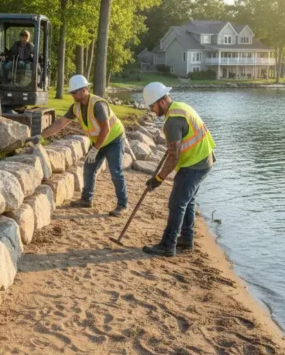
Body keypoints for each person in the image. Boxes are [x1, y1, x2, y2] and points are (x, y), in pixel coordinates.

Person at [141, 82, 216, 257]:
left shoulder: (172, 122)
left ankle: (168, 245)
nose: (151, 111)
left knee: (176, 203)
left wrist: (158, 179)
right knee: (187, 201)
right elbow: (176, 148)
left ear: (161, 102)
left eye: (152, 106)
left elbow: (173, 156)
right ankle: (186, 239)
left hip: (195, 164)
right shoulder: (180, 107)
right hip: (204, 158)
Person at [41, 75, 128, 217]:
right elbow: (60, 123)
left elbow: (105, 129)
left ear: (84, 90)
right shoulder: (76, 107)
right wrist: (41, 136)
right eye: (71, 93)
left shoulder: (98, 104)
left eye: (75, 92)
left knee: (116, 173)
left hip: (114, 140)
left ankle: (122, 204)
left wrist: (95, 149)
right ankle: (86, 199)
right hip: (98, 141)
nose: (73, 95)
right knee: (88, 168)